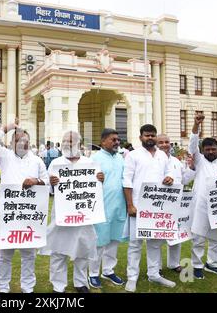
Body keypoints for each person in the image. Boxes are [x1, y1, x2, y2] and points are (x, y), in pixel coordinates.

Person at [0, 118, 49, 293]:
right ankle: (3, 288)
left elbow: (48, 183)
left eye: (26, 141)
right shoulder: (4, 156)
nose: (23, 143)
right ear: (12, 142)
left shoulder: (37, 161)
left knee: (29, 256)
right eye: (19, 140)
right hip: (8, 216)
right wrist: (8, 127)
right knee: (5, 256)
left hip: (29, 218)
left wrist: (36, 180)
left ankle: (28, 288)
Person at [39, 130, 104, 293]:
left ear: (79, 144)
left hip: (83, 216)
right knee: (58, 250)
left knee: (82, 249)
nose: (67, 144)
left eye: (70, 141)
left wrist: (100, 180)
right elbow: (49, 189)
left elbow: (94, 189)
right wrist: (52, 183)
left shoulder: (90, 163)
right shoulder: (56, 163)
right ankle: (58, 286)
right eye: (64, 141)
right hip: (62, 215)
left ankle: (81, 283)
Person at [122, 124, 176, 292]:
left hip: (158, 207)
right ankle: (132, 277)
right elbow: (127, 181)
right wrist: (130, 205)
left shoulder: (162, 155)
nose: (150, 138)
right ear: (141, 137)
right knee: (135, 244)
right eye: (147, 135)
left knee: (155, 243)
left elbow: (169, 173)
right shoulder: (133, 155)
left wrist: (170, 178)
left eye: (153, 135)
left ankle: (154, 275)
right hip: (138, 206)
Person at [189, 113, 217, 279]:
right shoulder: (199, 160)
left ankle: (213, 264)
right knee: (198, 237)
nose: (210, 152)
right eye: (207, 149)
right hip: (200, 204)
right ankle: (197, 265)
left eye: (213, 149)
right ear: (203, 151)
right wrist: (196, 125)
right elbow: (193, 144)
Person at [87, 129, 127, 289]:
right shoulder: (94, 159)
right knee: (99, 242)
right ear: (103, 141)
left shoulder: (121, 158)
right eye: (113, 140)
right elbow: (84, 181)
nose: (117, 142)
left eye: (118, 140)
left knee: (114, 240)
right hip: (101, 207)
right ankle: (93, 273)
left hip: (119, 206)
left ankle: (108, 270)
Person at [156, 134, 196, 273]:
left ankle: (174, 264)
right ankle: (156, 267)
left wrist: (191, 168)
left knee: (176, 234)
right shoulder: (152, 160)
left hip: (176, 203)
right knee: (158, 237)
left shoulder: (176, 161)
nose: (164, 144)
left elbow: (184, 180)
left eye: (167, 142)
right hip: (158, 203)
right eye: (161, 142)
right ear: (156, 144)